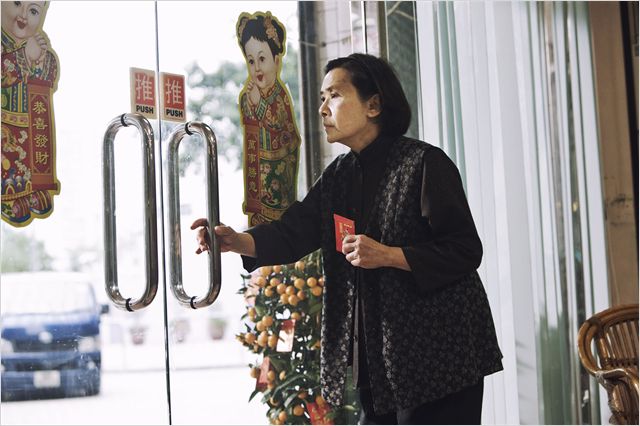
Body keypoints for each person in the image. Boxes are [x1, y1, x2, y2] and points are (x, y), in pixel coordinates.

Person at [192, 53, 503, 425]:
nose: (323, 108)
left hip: (443, 355)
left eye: (335, 95)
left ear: (374, 105)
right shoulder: (339, 175)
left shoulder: (423, 163)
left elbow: (465, 250)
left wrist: (389, 255)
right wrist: (235, 241)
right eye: (322, 98)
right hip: (380, 358)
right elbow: (293, 233)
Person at [236, 11, 301, 226]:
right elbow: (248, 117)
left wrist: (259, 103)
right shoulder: (249, 93)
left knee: (275, 215)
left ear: (276, 60)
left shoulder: (279, 95)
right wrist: (251, 101)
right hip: (258, 162)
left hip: (277, 165)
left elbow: (276, 121)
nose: (257, 68)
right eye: (251, 60)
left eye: (262, 59)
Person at [2, 0, 59, 225]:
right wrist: (24, 56)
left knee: (28, 158)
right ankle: (8, 197)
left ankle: (30, 191)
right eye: (17, 3)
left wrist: (42, 59)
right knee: (7, 162)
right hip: (4, 124)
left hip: (29, 122)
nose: (23, 15)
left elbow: (50, 75)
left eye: (33, 10)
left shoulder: (36, 42)